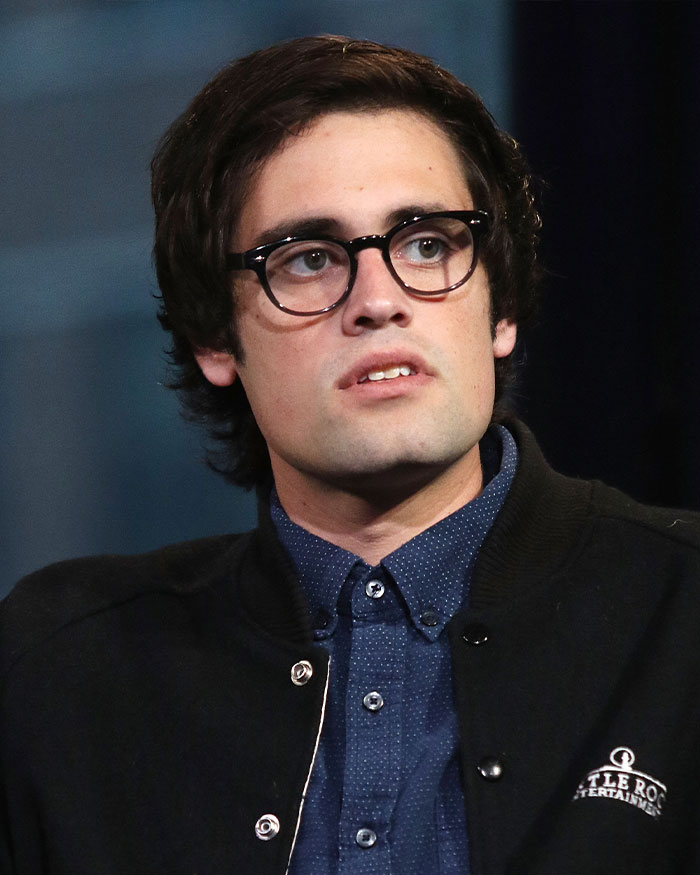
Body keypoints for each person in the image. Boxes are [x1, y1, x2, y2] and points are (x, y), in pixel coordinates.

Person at [1, 35, 699, 875]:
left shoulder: (681, 615)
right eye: (308, 259)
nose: (379, 300)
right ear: (214, 339)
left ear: (500, 304)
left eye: (427, 243)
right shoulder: (59, 672)